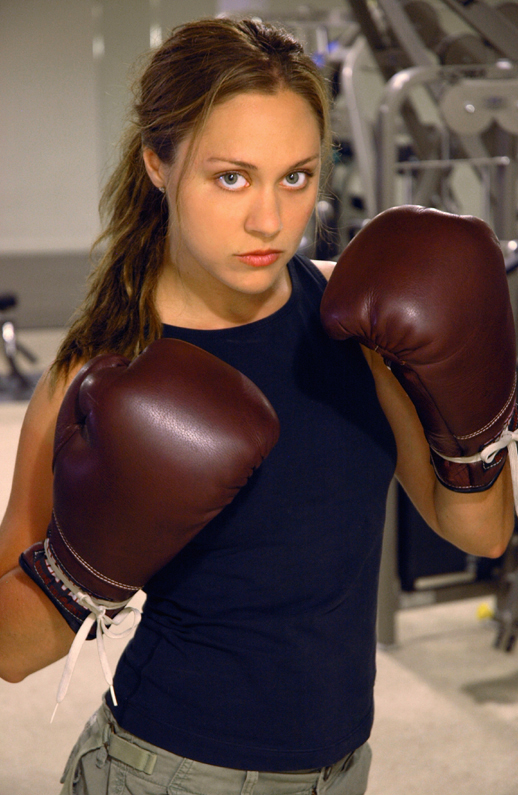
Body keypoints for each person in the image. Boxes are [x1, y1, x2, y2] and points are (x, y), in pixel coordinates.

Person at [0, 16, 515, 795]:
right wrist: (82, 570)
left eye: (297, 176)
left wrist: (475, 426)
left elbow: (479, 525)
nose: (270, 220)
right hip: (167, 773)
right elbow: (9, 650)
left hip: (344, 770)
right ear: (157, 165)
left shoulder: (356, 321)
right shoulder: (94, 373)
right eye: (231, 177)